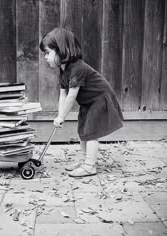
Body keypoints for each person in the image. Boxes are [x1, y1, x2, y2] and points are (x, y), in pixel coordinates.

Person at [39, 27, 123, 177]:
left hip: (99, 99)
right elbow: (63, 94)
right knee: (83, 131)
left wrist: (62, 117)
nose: (45, 57)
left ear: (62, 50)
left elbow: (71, 96)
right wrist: (60, 115)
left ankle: (90, 166)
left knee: (91, 133)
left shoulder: (77, 68)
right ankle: (84, 160)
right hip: (88, 103)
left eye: (47, 53)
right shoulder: (63, 69)